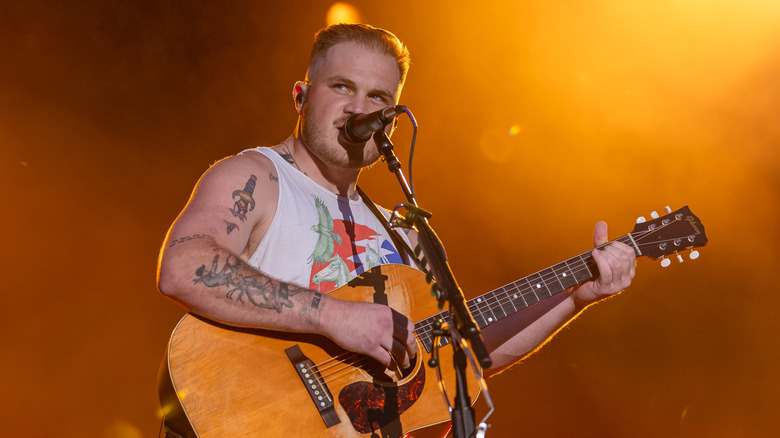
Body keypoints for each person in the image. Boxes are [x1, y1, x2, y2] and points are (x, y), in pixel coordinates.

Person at [157, 23, 636, 435]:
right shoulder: (258, 176)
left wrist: (575, 296)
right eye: (342, 87)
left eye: (378, 97)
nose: (358, 108)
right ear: (301, 96)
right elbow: (183, 267)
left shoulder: (398, 232)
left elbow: (460, 356)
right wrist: (334, 316)